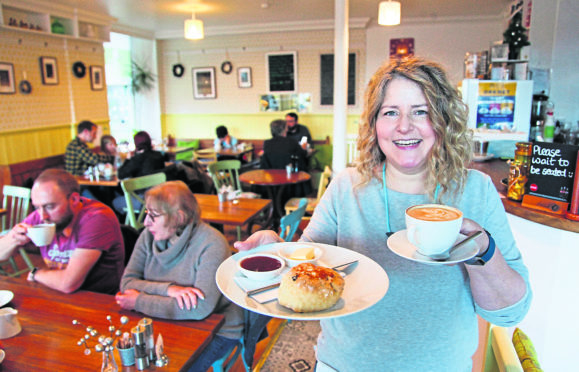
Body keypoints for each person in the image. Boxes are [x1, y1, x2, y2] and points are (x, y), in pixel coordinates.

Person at [235, 58, 531, 371]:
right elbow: (306, 266)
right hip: (343, 364)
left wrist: (480, 248)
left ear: (444, 119)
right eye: (391, 112)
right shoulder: (347, 186)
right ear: (375, 123)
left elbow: (509, 313)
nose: (404, 126)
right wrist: (275, 251)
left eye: (421, 111)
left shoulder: (476, 189)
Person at [115, 181, 243, 371]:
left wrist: (139, 301)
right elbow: (127, 283)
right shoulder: (147, 236)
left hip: (218, 328)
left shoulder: (212, 243)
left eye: (154, 215)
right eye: (146, 213)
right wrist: (169, 290)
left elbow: (199, 308)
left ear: (178, 218)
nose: (145, 222)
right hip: (165, 321)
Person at [0, 169, 124, 294]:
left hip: (100, 300)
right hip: (61, 296)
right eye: (37, 207)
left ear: (74, 199)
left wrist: (36, 273)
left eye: (50, 207)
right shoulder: (41, 216)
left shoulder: (97, 218)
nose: (43, 216)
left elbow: (68, 283)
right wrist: (13, 238)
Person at [112, 131, 166, 215]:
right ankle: (140, 217)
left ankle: (133, 220)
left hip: (143, 200)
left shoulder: (137, 159)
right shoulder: (158, 155)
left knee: (115, 201)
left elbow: (121, 174)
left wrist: (128, 159)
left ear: (136, 144)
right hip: (158, 196)